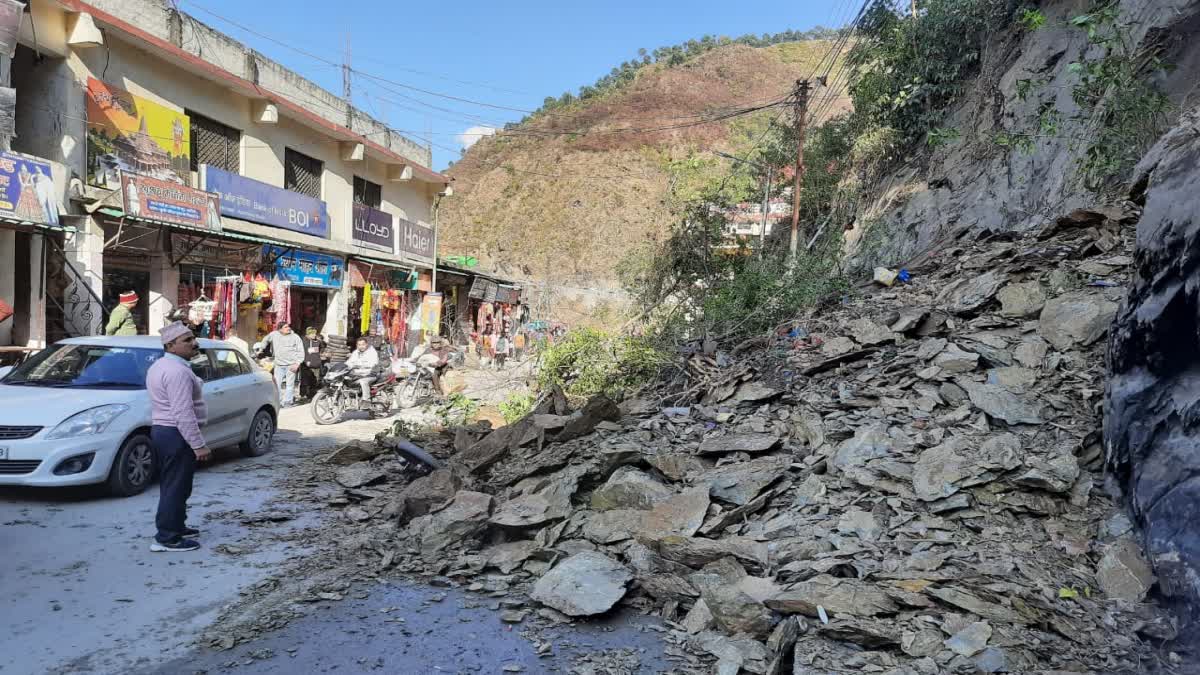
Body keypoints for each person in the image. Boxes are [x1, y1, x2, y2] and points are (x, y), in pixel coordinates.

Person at [146, 322, 210, 552]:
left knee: (178, 484)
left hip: (167, 431)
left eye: (193, 338)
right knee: (175, 486)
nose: (194, 343)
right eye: (187, 340)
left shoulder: (164, 366)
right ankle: (168, 537)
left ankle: (176, 526)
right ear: (171, 345)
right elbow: (183, 412)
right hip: (175, 432)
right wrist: (198, 444)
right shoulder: (176, 372)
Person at [259, 322, 304, 407]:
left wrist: (297, 363)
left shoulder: (295, 337)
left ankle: (287, 402)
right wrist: (262, 348)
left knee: (290, 385)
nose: (288, 328)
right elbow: (265, 339)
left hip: (291, 365)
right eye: (286, 327)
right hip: (279, 365)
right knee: (277, 385)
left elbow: (301, 351)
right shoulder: (274, 334)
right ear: (280, 329)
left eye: (288, 326)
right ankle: (278, 402)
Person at [346, 337, 379, 410]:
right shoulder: (356, 352)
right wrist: (344, 366)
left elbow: (373, 363)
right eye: (359, 345)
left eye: (363, 344)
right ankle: (350, 400)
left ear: (366, 344)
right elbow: (350, 362)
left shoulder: (372, 352)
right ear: (357, 345)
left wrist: (360, 365)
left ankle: (366, 401)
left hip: (371, 374)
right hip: (359, 374)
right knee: (346, 379)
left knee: (363, 381)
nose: (361, 346)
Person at [300, 327, 325, 399]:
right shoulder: (303, 341)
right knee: (305, 381)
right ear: (308, 334)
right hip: (305, 365)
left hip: (316, 365)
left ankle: (312, 396)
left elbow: (322, 350)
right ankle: (303, 395)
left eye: (315, 333)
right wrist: (305, 360)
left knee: (314, 381)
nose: (314, 335)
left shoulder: (318, 342)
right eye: (313, 333)